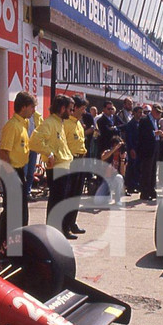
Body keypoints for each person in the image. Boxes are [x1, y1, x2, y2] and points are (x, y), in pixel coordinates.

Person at [0, 91, 35, 254]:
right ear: (23, 107)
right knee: (12, 211)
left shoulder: (23, 124)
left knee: (18, 210)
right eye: (31, 107)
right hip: (12, 171)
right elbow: (3, 152)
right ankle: (3, 244)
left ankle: (6, 243)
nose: (33, 110)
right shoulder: (12, 126)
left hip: (19, 171)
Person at [29, 94, 77, 238]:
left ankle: (60, 231)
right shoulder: (49, 123)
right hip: (57, 168)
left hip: (64, 165)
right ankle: (53, 233)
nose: (72, 112)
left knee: (62, 201)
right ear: (62, 108)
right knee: (56, 202)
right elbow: (34, 142)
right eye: (70, 109)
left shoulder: (59, 123)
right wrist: (49, 154)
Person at [64, 95, 89, 235]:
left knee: (76, 195)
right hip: (71, 161)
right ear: (76, 108)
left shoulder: (79, 123)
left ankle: (72, 222)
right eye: (83, 109)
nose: (84, 112)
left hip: (81, 160)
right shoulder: (66, 124)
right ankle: (65, 226)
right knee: (69, 195)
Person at [137, 104, 162, 201]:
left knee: (153, 171)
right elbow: (142, 134)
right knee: (146, 171)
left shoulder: (156, 121)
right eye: (158, 112)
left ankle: (151, 190)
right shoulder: (144, 120)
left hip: (155, 146)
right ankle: (145, 192)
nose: (159, 114)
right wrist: (155, 133)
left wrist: (158, 134)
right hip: (147, 148)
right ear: (153, 111)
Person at [96, 134, 126, 206]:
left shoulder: (122, 155)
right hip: (106, 180)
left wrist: (122, 160)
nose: (117, 150)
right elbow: (103, 157)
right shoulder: (108, 152)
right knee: (98, 201)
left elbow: (122, 173)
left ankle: (117, 199)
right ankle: (108, 196)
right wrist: (114, 149)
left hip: (115, 180)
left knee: (119, 177)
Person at [123, 105, 144, 194]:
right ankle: (130, 186)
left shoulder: (140, 123)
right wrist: (131, 149)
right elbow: (129, 138)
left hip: (139, 148)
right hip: (133, 149)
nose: (140, 114)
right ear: (134, 113)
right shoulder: (130, 124)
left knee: (138, 168)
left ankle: (136, 184)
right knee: (131, 167)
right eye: (139, 112)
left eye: (141, 113)